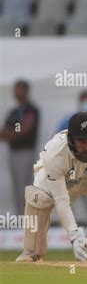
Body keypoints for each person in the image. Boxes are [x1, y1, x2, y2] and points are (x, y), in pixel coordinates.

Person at [15, 112, 87, 262]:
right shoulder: (54, 154)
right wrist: (74, 236)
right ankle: (32, 251)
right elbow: (62, 201)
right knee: (37, 195)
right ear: (70, 139)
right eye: (82, 141)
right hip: (62, 182)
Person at [0, 80, 40, 215]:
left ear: (25, 90)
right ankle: (20, 217)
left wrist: (12, 133)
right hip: (13, 153)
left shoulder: (31, 109)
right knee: (16, 188)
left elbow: (25, 129)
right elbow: (3, 131)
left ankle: (28, 217)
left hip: (25, 153)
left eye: (18, 89)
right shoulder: (14, 111)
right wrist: (14, 133)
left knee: (25, 186)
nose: (15, 93)